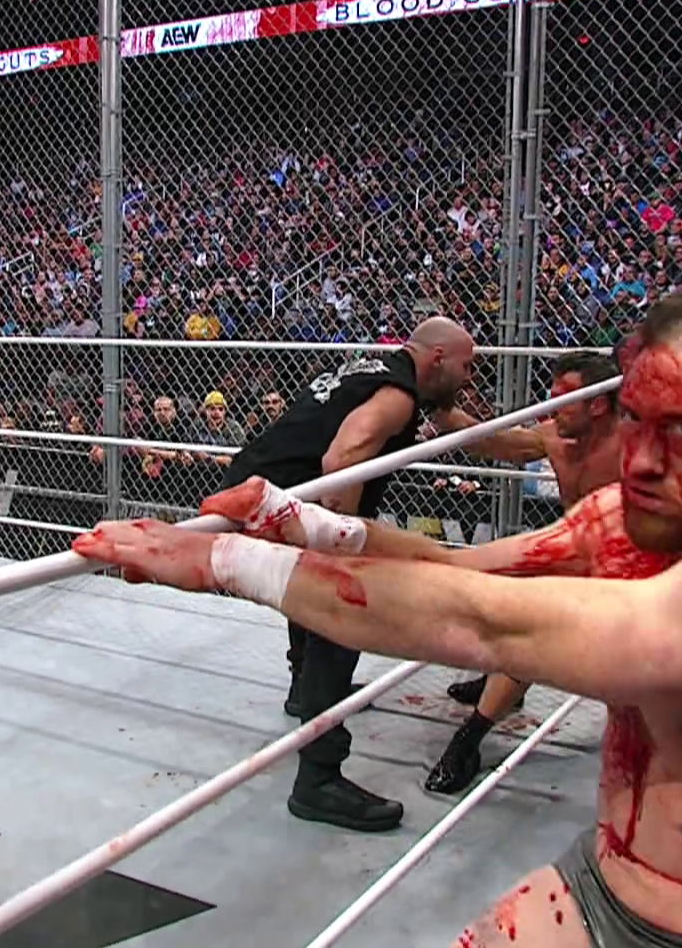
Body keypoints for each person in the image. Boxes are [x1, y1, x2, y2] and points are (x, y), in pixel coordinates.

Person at [76, 279, 682, 948]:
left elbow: (487, 622)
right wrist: (303, 523)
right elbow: (465, 571)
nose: (642, 458)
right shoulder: (627, 519)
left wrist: (228, 563)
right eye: (637, 418)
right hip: (607, 893)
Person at [206, 315, 552, 833]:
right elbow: (342, 456)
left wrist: (547, 442)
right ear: (437, 359)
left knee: (313, 600)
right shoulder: (397, 397)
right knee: (342, 615)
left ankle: (303, 690)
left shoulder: (391, 376)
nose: (470, 377)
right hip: (278, 502)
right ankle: (318, 780)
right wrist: (340, 539)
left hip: (264, 489)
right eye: (466, 365)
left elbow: (476, 438)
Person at [428, 349, 625, 795]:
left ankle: (470, 737)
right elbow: (492, 443)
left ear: (598, 403)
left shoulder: (637, 446)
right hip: (571, 552)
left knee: (537, 626)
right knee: (491, 592)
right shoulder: (554, 435)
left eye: (565, 398)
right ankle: (499, 683)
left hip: (623, 570)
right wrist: (439, 406)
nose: (552, 407)